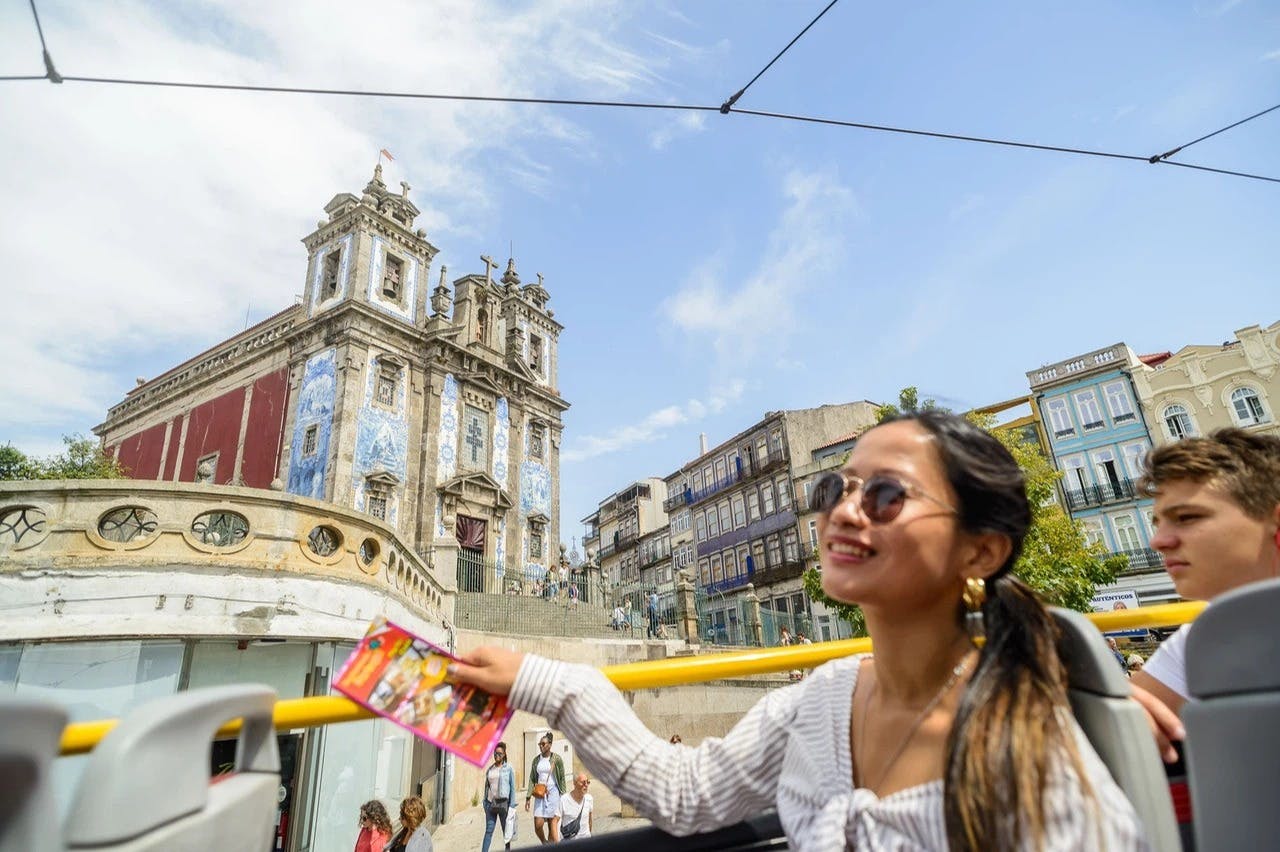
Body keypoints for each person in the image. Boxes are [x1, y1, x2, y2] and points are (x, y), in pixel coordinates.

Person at [451, 412, 1148, 849]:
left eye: (885, 495)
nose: (842, 513)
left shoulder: (1037, 769)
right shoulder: (822, 700)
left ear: (981, 550)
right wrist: (540, 680)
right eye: (833, 491)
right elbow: (685, 794)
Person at [1129, 428, 1280, 760]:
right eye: (1158, 523)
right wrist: (1115, 710)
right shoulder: (1209, 637)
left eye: (1186, 517)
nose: (1158, 541)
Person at [526, 733, 567, 843]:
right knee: (538, 824)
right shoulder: (536, 760)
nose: (541, 746)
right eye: (540, 744)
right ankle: (544, 842)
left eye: (543, 744)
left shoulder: (556, 759)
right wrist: (528, 797)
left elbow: (562, 778)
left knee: (551, 823)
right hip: (540, 792)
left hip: (553, 793)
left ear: (550, 745)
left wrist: (563, 795)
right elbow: (531, 778)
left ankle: (550, 846)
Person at [481, 742, 515, 852]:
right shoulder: (490, 769)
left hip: (503, 804)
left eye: (500, 753)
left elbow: (513, 788)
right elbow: (487, 787)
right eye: (495, 753)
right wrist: (485, 803)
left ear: (504, 754)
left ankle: (507, 849)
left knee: (506, 831)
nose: (497, 755)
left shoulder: (508, 768)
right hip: (490, 804)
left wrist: (512, 806)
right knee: (489, 831)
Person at [559, 773, 594, 840]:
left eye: (587, 782)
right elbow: (555, 822)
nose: (586, 785)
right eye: (583, 782)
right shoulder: (564, 799)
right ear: (574, 783)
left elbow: (590, 819)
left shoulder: (589, 799)